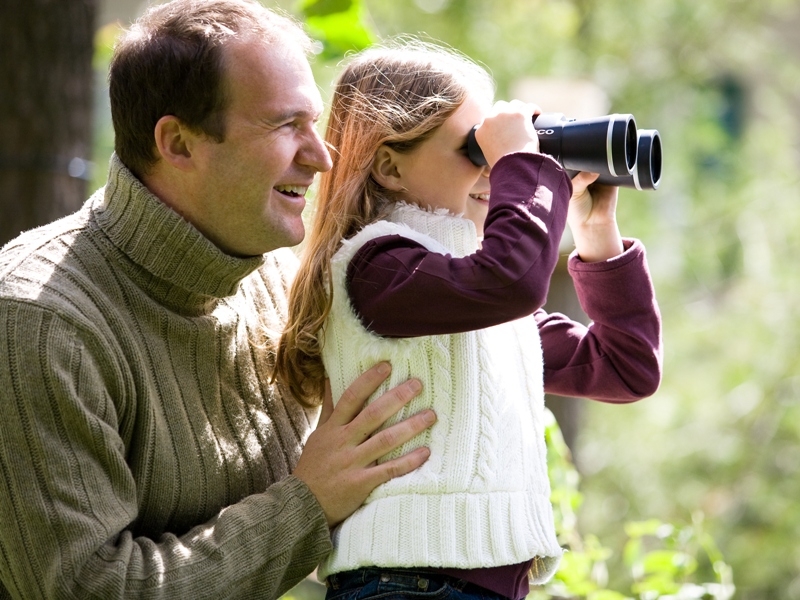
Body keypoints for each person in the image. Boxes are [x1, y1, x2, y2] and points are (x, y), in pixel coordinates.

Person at [0, 2, 437, 598]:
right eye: (287, 126)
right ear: (178, 143)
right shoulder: (41, 322)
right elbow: (88, 589)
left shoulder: (279, 282)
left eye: (315, 122)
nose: (322, 156)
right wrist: (305, 507)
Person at [275, 41, 663, 600]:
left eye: (494, 150)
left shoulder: (478, 303)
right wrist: (523, 166)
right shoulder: (379, 268)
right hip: (406, 583)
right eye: (475, 149)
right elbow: (508, 280)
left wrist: (596, 232)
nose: (494, 169)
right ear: (389, 165)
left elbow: (625, 368)